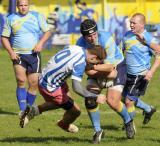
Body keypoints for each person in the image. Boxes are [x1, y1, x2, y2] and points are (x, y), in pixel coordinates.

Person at [19, 45, 106, 134]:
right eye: (95, 63)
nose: (94, 65)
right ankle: (61, 123)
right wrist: (95, 97)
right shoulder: (80, 63)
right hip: (51, 87)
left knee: (65, 102)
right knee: (75, 111)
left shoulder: (75, 47)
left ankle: (34, 111)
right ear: (93, 57)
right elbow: (77, 88)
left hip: (47, 76)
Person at [76, 19, 135, 143]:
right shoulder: (79, 45)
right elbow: (87, 71)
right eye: (89, 36)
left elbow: (110, 68)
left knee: (112, 101)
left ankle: (128, 121)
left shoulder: (106, 38)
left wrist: (93, 67)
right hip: (98, 70)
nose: (93, 38)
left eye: (94, 34)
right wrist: (93, 69)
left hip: (117, 66)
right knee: (90, 98)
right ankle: (97, 131)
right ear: (83, 36)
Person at [1, 0, 51, 123]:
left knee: (33, 83)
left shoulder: (37, 16)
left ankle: (28, 109)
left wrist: (40, 43)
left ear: (29, 5)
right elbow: (4, 37)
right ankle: (23, 110)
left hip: (34, 55)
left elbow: (48, 32)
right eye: (21, 5)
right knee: (21, 81)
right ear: (17, 6)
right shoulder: (11, 18)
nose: (23, 8)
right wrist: (11, 52)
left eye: (25, 5)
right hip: (18, 55)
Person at [121, 13, 160, 125]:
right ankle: (148, 109)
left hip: (141, 75)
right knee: (123, 98)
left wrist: (151, 72)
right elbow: (120, 52)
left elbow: (158, 57)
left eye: (134, 23)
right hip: (127, 74)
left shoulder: (149, 38)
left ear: (142, 25)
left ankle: (129, 126)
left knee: (129, 102)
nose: (131, 25)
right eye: (130, 22)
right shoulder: (127, 35)